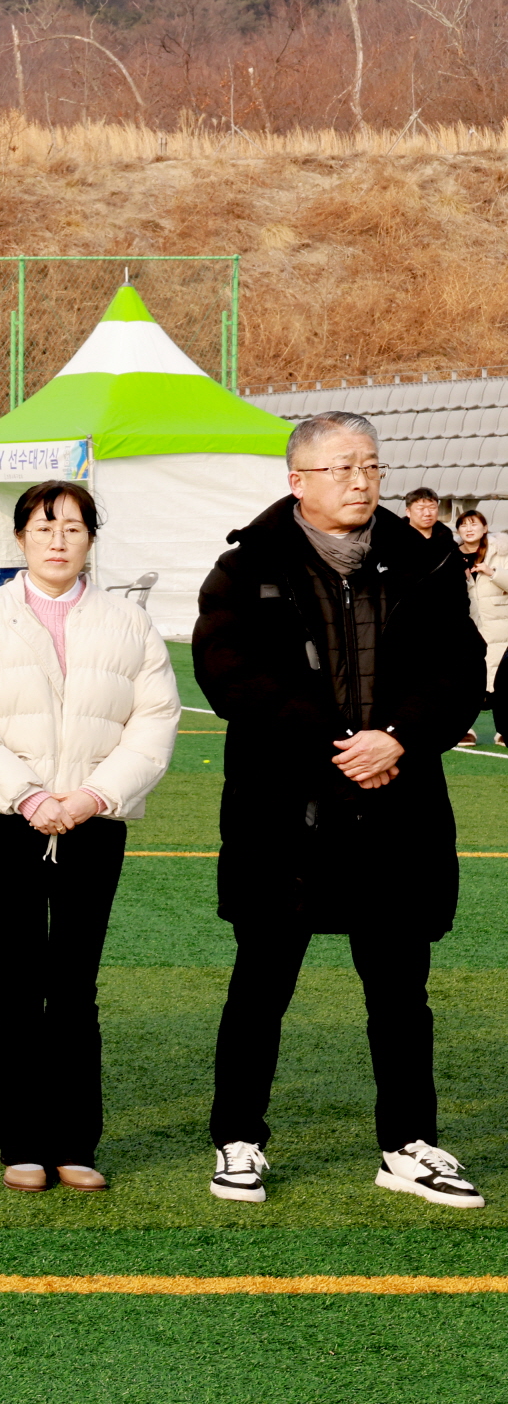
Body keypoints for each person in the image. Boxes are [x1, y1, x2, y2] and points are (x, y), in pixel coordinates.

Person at [196, 412, 486, 1210]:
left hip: (398, 809)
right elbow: (228, 674)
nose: (361, 481)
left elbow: (462, 667)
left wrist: (396, 737)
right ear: (298, 481)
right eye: (342, 468)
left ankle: (407, 1143)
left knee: (401, 991)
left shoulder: (425, 560)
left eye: (370, 466)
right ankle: (239, 1138)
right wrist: (337, 740)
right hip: (284, 812)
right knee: (261, 984)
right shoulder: (244, 566)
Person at [0, 480, 180, 1193]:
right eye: (44, 528)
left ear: (92, 538)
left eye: (73, 527)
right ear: (20, 539)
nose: (58, 539)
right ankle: (20, 1142)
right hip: (9, 824)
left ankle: (74, 1141)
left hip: (94, 825)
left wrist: (97, 794)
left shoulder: (128, 624)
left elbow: (154, 720)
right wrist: (28, 794)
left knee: (74, 985)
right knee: (18, 982)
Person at [461, 509, 507, 746]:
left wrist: (492, 572)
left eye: (474, 524)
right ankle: (463, 729)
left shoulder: (501, 553)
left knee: (504, 683)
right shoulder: (452, 555)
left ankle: (504, 731)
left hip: (500, 627)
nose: (469, 529)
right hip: (468, 626)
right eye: (464, 525)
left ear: (485, 528)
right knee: (464, 682)